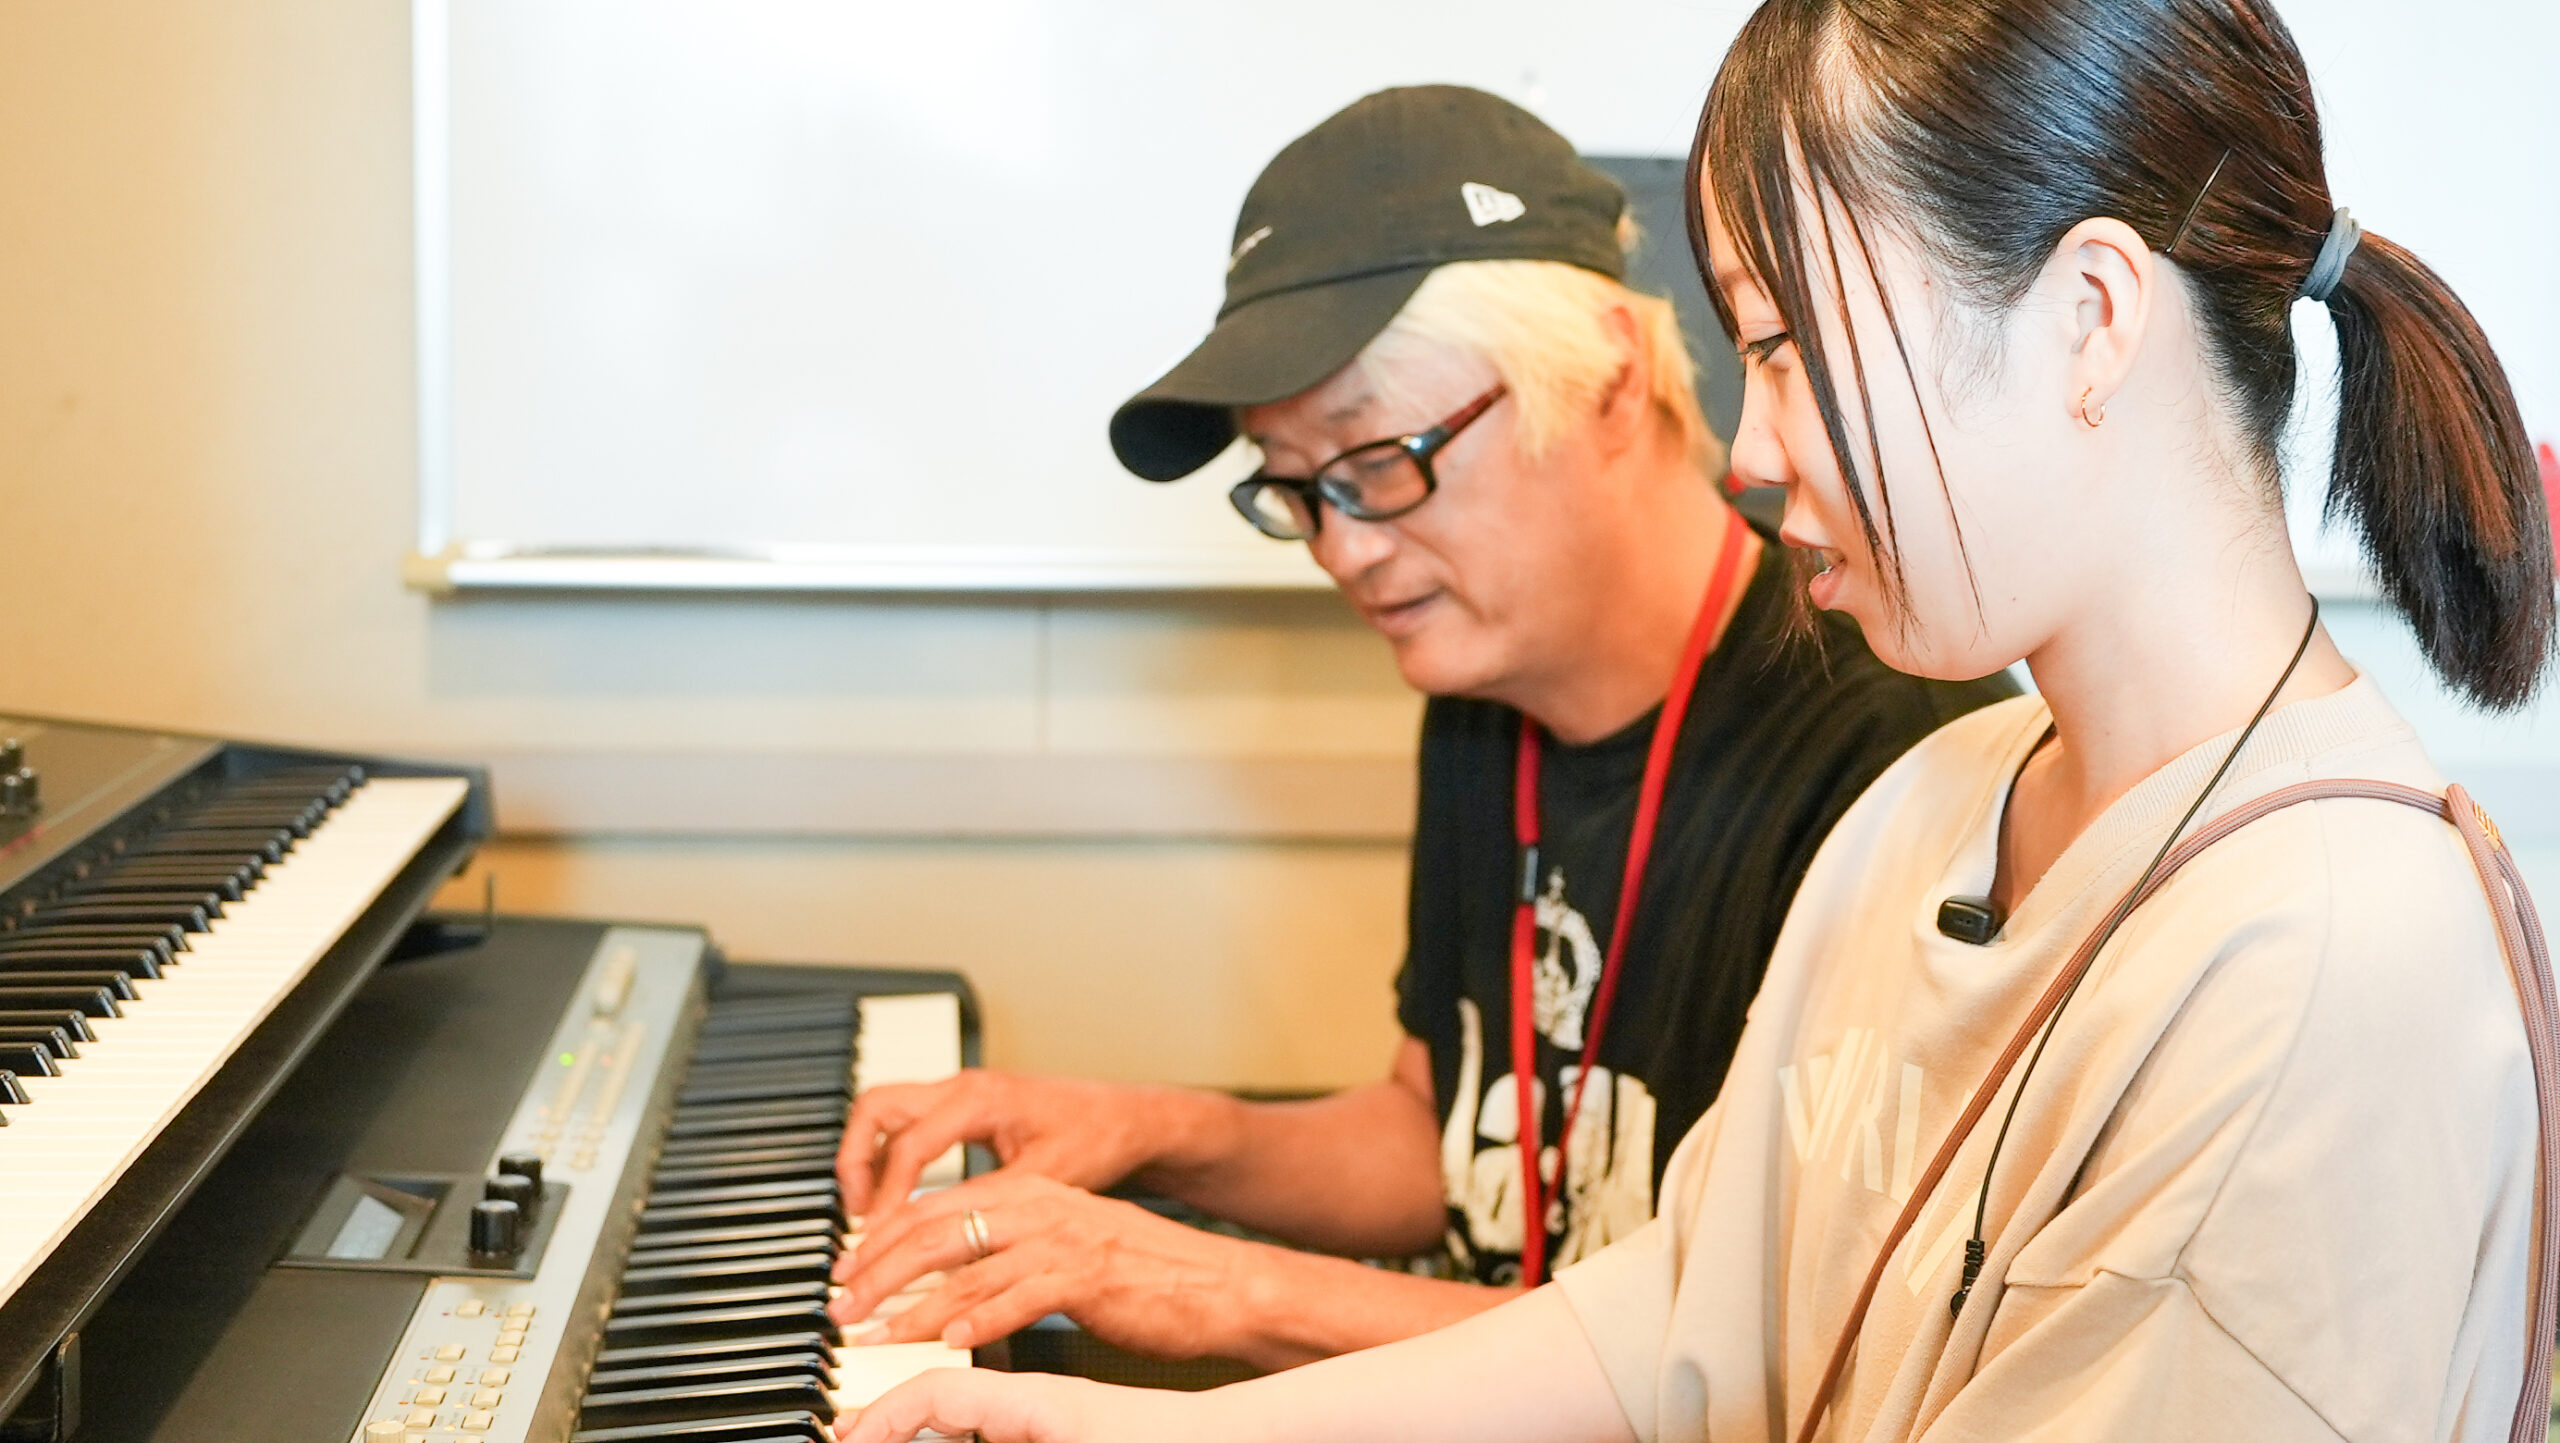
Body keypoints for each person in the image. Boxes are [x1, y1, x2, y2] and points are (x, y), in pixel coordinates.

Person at [839, 0, 2559, 1437]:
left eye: (1789, 346)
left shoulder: (2327, 961)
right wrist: (1136, 1422)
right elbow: (1680, 1317)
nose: (1746, 443)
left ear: (2090, 321)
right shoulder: (1938, 806)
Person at [828, 85, 2012, 1370]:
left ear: (1611, 375)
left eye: (1379, 461)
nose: (1342, 549)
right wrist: (1152, 1132)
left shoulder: (1893, 759)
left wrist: (1221, 1286)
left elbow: (1767, 1364)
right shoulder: (1482, 678)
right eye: (1295, 489)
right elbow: (1441, 1140)